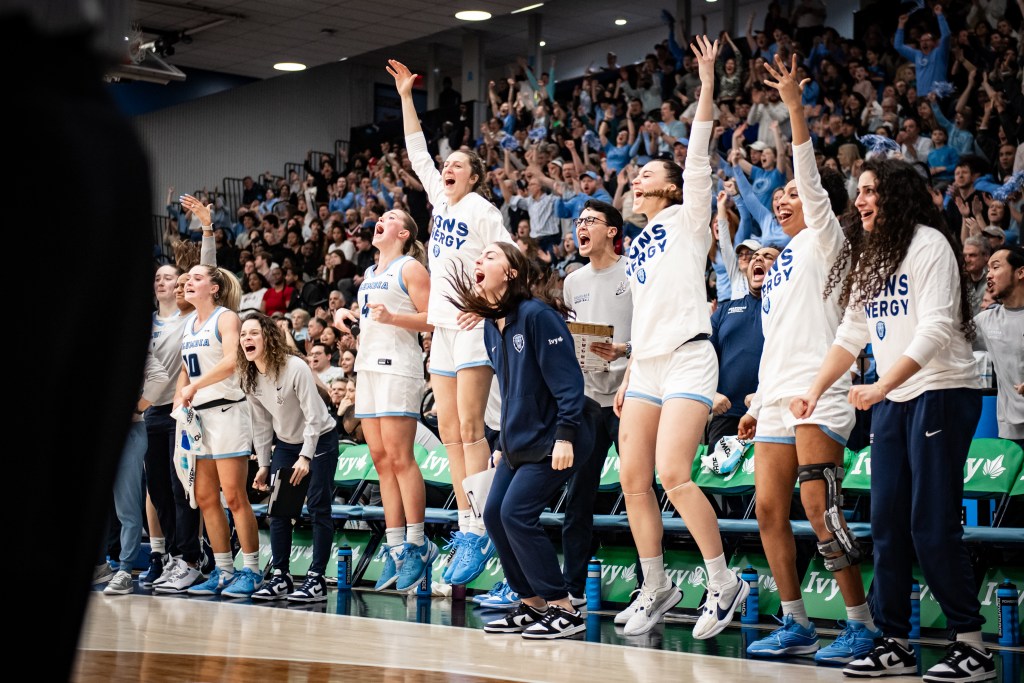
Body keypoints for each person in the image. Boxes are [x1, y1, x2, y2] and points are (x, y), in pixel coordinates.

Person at [792, 158, 995, 682]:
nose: (859, 200)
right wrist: (814, 391)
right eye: (858, 191)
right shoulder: (871, 253)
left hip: (942, 392)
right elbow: (851, 333)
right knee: (885, 524)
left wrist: (883, 384)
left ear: (897, 195)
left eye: (869, 191)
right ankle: (895, 640)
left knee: (930, 522)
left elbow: (934, 329)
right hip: (894, 398)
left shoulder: (929, 245)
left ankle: (971, 644)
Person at [737, 55, 879, 664]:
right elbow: (777, 339)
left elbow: (810, 177)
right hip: (778, 395)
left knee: (819, 506)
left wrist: (794, 109)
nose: (788, 198)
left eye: (797, 193)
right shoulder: (780, 260)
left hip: (822, 388)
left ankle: (861, 622)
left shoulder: (827, 239)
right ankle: (794, 621)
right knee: (769, 509)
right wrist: (759, 400)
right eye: (785, 194)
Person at [612, 36, 748, 640]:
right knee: (631, 480)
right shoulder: (636, 242)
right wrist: (627, 372)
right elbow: (645, 314)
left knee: (673, 473)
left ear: (669, 187)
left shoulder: (689, 217)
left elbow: (698, 146)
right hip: (645, 367)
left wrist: (708, 80)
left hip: (692, 358)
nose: (636, 181)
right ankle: (657, 584)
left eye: (646, 175)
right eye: (636, 176)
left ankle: (724, 582)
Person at [387, 59, 514, 586]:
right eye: (448, 164)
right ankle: (467, 524)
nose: (448, 168)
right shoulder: (440, 201)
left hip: (470, 326)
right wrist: (405, 97)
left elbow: (509, 258)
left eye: (459, 164)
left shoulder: (483, 210)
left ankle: (479, 523)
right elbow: (417, 151)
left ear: (475, 176)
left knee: (468, 427)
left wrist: (485, 304)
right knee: (446, 430)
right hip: (440, 327)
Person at [450, 242, 595, 639]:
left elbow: (569, 383)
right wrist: (501, 444)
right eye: (478, 258)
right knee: (494, 515)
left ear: (511, 272)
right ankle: (531, 603)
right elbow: (512, 391)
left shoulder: (537, 315)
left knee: (516, 514)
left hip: (557, 437)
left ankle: (564, 608)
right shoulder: (490, 326)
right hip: (517, 443)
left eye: (490, 257)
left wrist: (564, 436)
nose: (479, 262)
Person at [345, 209, 436, 592]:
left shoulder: (411, 267)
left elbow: (433, 319)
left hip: (399, 368)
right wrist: (351, 324)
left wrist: (394, 318)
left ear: (403, 232)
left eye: (391, 217)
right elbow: (375, 321)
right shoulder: (369, 275)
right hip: (368, 369)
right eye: (381, 216)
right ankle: (396, 546)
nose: (381, 220)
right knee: (381, 461)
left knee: (401, 458)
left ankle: (418, 543)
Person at [237, 313, 339, 603]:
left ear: (268, 337)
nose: (247, 339)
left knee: (319, 506)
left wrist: (306, 457)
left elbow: (316, 417)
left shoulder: (295, 367)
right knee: (278, 510)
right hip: (286, 443)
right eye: (243, 334)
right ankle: (280, 575)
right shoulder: (251, 376)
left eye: (254, 333)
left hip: (321, 439)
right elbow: (260, 424)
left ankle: (317, 580)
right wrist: (264, 464)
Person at [559, 199, 632, 606]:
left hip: (629, 394)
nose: (581, 227)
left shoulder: (634, 272)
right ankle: (572, 588)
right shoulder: (573, 281)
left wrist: (624, 350)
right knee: (578, 496)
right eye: (579, 221)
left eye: (590, 221)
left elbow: (651, 333)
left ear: (612, 231)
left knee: (639, 489)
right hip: (587, 397)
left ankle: (649, 583)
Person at [176, 265, 264, 599]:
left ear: (214, 288)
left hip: (228, 411)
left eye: (197, 278)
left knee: (234, 496)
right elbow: (186, 369)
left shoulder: (226, 318)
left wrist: (195, 386)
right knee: (205, 497)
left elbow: (232, 360)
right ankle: (224, 569)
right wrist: (180, 401)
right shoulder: (189, 323)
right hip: (198, 418)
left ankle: (252, 570)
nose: (188, 281)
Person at [145, 197, 216, 595]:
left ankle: (190, 556)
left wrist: (206, 229)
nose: (164, 282)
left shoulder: (192, 316)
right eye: (159, 277)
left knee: (179, 486)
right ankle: (173, 555)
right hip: (150, 412)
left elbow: (210, 273)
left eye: (171, 277)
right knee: (156, 490)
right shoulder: (149, 319)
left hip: (184, 410)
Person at [973, 246, 1024, 447]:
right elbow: (948, 342)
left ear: (1020, 272)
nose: (989, 275)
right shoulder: (986, 321)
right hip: (1009, 432)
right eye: (988, 269)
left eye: (996, 267)